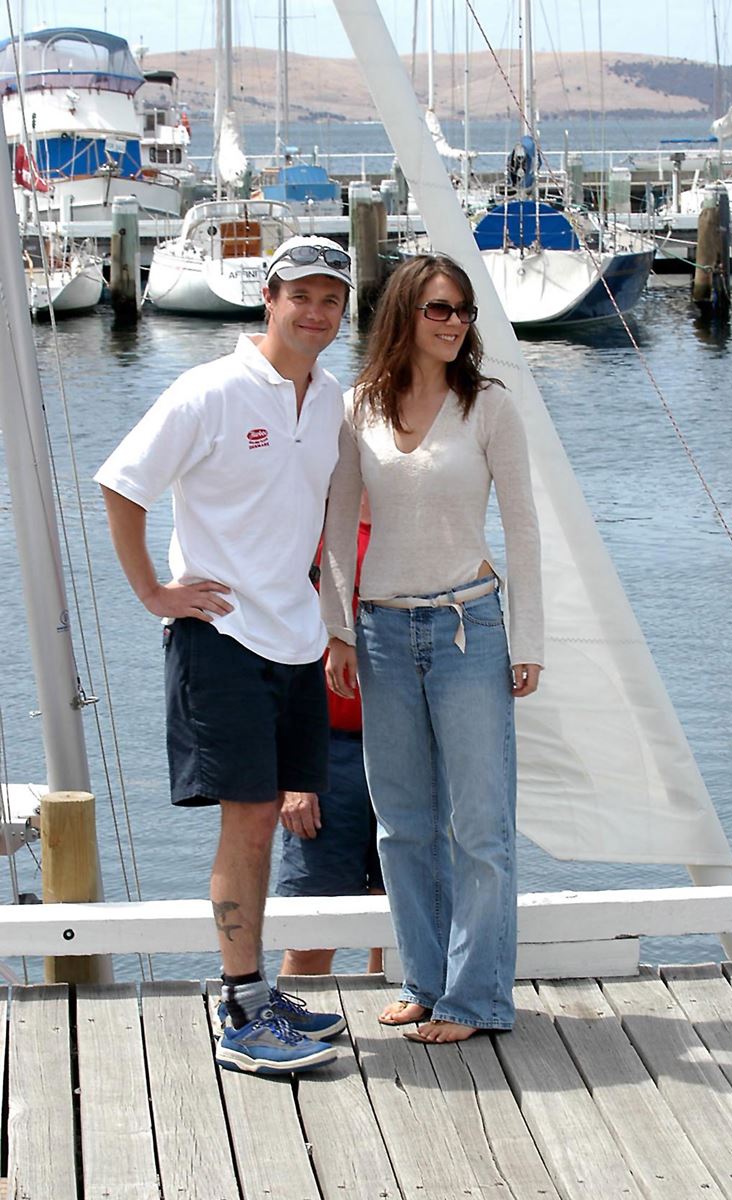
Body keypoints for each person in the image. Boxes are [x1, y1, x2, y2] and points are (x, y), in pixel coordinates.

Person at [95, 235, 353, 1076]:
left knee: (267, 820)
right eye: (300, 296)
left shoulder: (331, 402)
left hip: (297, 640)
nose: (314, 313)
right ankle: (240, 1009)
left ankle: (258, 994)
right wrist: (154, 594)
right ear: (268, 298)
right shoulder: (208, 390)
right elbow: (122, 482)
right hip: (221, 638)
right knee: (245, 825)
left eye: (331, 299)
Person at [321, 253, 543, 1045]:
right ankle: (425, 981)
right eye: (440, 310)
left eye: (464, 312)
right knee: (402, 824)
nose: (454, 324)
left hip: (468, 627)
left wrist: (529, 640)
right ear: (405, 316)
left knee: (480, 825)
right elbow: (340, 525)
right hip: (379, 632)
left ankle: (477, 999)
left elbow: (522, 529)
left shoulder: (488, 407)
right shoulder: (358, 408)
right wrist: (337, 627)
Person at [277, 494, 385, 976]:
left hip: (409, 751)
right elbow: (276, 657)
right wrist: (292, 775)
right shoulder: (305, 538)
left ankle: (400, 1025)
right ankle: (291, 1019)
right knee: (312, 925)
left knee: (401, 920)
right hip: (325, 754)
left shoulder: (426, 531)